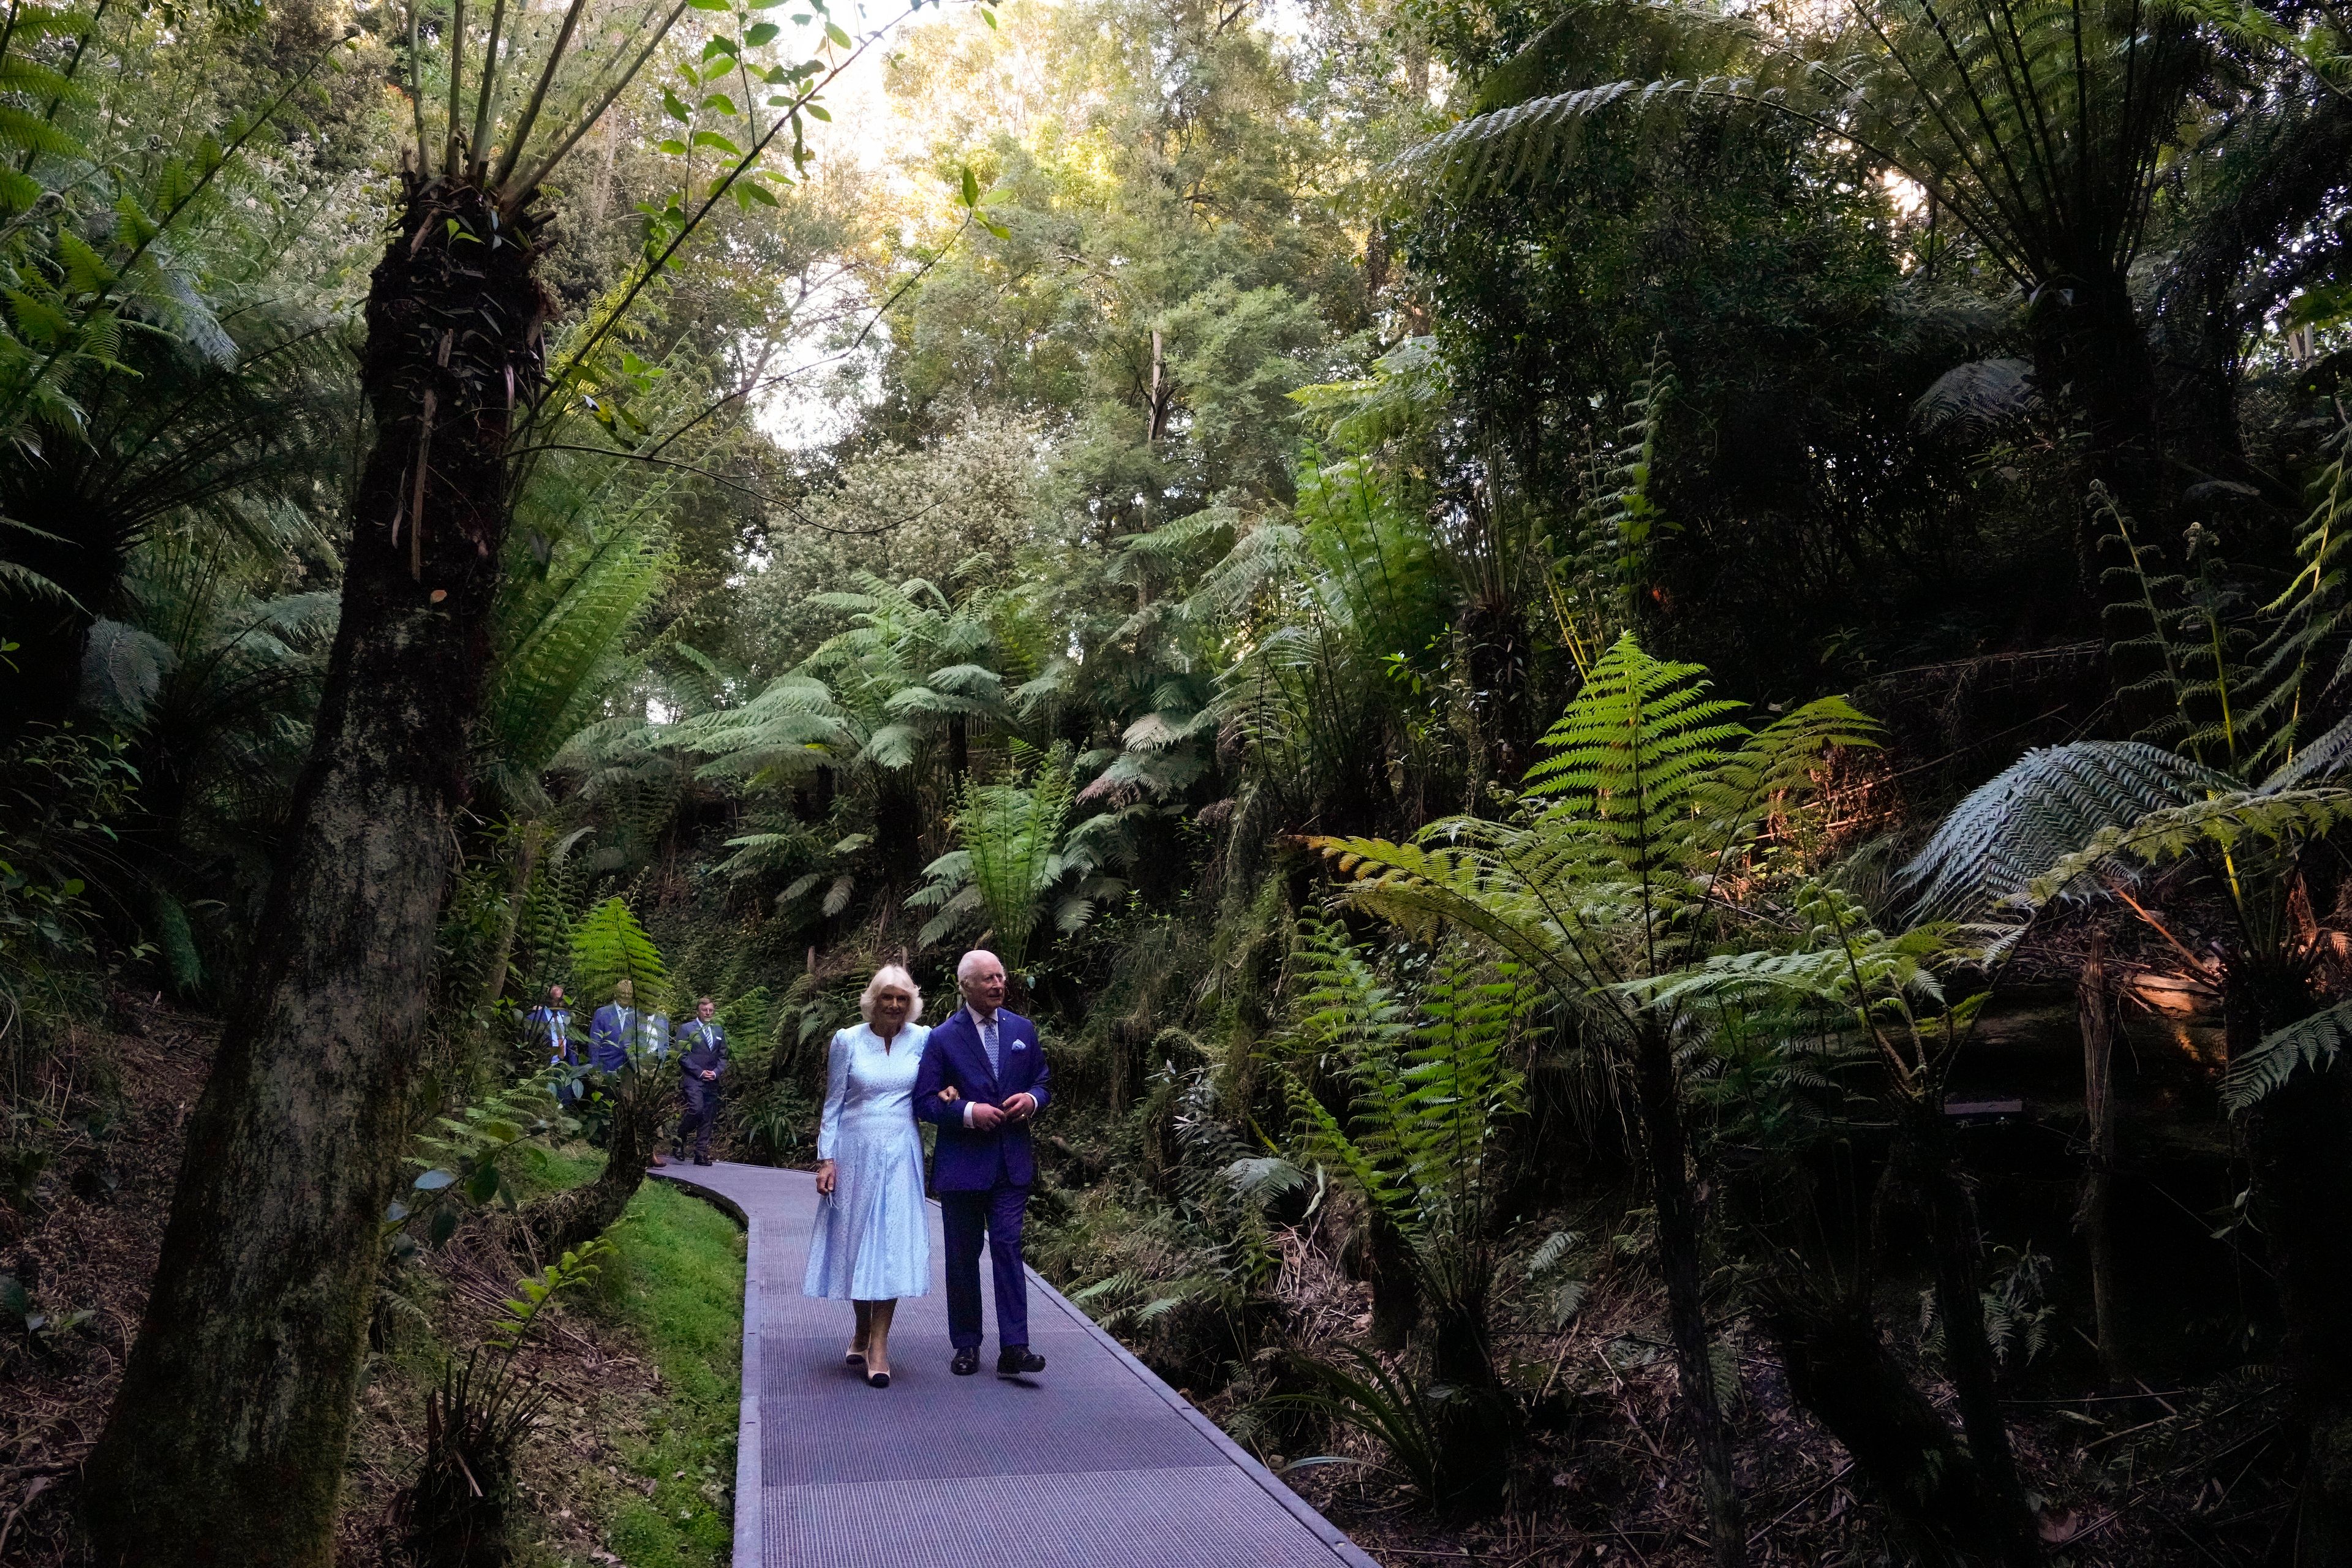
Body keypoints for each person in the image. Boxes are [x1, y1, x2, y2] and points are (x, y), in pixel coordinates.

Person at [913, 949, 1049, 1379]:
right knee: (962, 1256)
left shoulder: (1022, 1029)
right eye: (988, 979)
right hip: (963, 1166)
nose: (997, 985)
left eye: (1001, 977)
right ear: (965, 986)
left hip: (1011, 1164)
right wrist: (969, 1112)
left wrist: (1031, 1100)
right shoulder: (942, 1038)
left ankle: (1015, 1348)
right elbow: (926, 1101)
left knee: (1008, 1247)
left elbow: (1042, 1082)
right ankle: (967, 1344)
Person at [804, 965, 935, 1389]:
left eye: (902, 998)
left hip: (901, 1152)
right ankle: (861, 1329)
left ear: (910, 1002)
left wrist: (949, 1091)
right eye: (887, 997)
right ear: (872, 1000)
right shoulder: (847, 1040)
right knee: (858, 1244)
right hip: (854, 1150)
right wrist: (826, 1159)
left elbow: (934, 1088)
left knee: (890, 1246)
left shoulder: (924, 1039)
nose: (895, 1005)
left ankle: (879, 1346)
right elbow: (833, 1103)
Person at [672, 996, 728, 1166]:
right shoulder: (687, 1029)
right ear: (698, 1011)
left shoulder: (719, 1030)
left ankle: (701, 1153)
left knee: (708, 1116)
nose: (708, 1013)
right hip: (693, 1078)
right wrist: (700, 1072)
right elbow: (681, 1055)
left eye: (711, 1010)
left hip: (712, 1079)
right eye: (705, 1010)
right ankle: (679, 1136)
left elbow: (724, 1056)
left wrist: (716, 1072)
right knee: (696, 1110)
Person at [527, 984, 576, 1101]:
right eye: (557, 1000)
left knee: (565, 1101)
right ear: (549, 1000)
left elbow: (572, 1043)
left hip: (564, 1065)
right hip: (545, 1066)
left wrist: (574, 1068)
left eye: (562, 1000)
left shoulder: (566, 1016)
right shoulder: (536, 1018)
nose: (560, 1004)